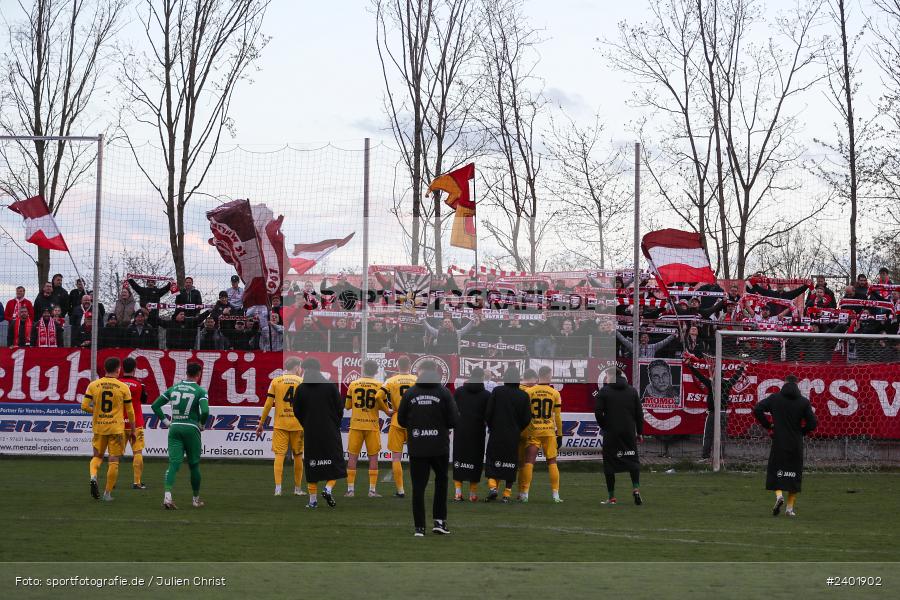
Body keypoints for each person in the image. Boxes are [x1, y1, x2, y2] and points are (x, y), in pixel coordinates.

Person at [397, 359, 458, 536]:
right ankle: (439, 522)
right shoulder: (444, 392)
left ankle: (419, 528)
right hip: (439, 446)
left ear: (421, 372)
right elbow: (454, 419)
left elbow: (401, 420)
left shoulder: (410, 393)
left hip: (417, 446)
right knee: (441, 482)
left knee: (418, 487)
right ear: (436, 372)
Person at [752, 375, 818, 517]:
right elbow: (813, 423)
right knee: (794, 473)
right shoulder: (803, 402)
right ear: (797, 385)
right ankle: (789, 508)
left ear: (785, 383)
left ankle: (778, 496)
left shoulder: (775, 398)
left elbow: (757, 409)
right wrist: (801, 432)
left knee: (776, 470)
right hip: (795, 442)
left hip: (779, 441)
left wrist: (768, 425)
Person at [151, 362, 210, 509]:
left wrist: (166, 421)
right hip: (191, 428)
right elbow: (206, 411)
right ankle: (195, 500)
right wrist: (201, 424)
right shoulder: (200, 391)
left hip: (175, 427)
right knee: (194, 465)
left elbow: (155, 405)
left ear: (186, 373)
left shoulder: (174, 388)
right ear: (199, 374)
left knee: (174, 464)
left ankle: (167, 496)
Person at [290, 357, 346, 508]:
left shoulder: (302, 388)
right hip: (330, 431)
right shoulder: (330, 386)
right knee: (335, 463)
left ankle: (312, 501)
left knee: (312, 464)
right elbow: (340, 408)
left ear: (306, 369)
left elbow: (296, 411)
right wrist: (334, 423)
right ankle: (328, 489)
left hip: (311, 432)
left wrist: (306, 424)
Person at [81, 357, 135, 502]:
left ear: (105, 369)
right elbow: (130, 411)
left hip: (99, 427)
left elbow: (84, 406)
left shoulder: (94, 385)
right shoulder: (123, 387)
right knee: (113, 461)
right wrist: (133, 429)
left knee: (97, 457)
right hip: (116, 429)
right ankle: (107, 494)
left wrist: (97, 412)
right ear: (118, 369)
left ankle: (93, 476)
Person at [594, 368, 643, 506]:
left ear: (610, 376)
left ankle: (612, 497)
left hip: (611, 433)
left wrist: (604, 426)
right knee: (632, 460)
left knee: (609, 464)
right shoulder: (632, 391)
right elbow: (639, 414)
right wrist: (639, 432)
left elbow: (598, 412)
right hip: (628, 432)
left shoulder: (604, 391)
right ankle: (636, 488)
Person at [256, 357, 305, 497]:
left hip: (280, 424)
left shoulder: (276, 381)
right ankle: (297, 489)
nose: (300, 370)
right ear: (296, 367)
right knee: (298, 456)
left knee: (279, 455)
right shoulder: (301, 382)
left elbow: (267, 404)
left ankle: (278, 489)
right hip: (298, 425)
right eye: (300, 367)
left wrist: (261, 424)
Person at [344, 360, 392, 497]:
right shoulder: (380, 386)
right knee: (373, 458)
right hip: (372, 425)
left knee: (352, 457)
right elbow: (384, 405)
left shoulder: (353, 384)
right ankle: (372, 490)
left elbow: (347, 406)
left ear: (363, 369)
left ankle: (350, 490)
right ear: (377, 371)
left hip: (356, 425)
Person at [484, 366, 531, 503]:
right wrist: (517, 428)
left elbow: (488, 412)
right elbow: (527, 418)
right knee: (510, 463)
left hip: (496, 432)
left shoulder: (497, 391)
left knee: (493, 460)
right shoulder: (524, 395)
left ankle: (493, 488)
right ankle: (507, 494)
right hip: (513, 434)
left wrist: (492, 426)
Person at [686, 358, 746, 461]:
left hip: (713, 413)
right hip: (723, 413)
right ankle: (720, 457)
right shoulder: (727, 384)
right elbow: (735, 377)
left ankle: (706, 456)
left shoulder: (712, 384)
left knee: (708, 435)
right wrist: (741, 368)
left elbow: (699, 376)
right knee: (722, 436)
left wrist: (690, 366)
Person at [520, 366, 564, 503]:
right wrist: (560, 434)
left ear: (539, 375)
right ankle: (555, 495)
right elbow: (558, 417)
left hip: (534, 431)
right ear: (549, 375)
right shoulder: (555, 393)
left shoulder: (529, 391)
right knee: (552, 462)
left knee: (529, 462)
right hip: (549, 432)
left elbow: (524, 414)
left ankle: (525, 494)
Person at [452, 367, 490, 502]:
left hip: (461, 430)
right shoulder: (486, 395)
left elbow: (452, 410)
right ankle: (473, 494)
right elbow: (488, 415)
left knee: (459, 458)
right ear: (482, 378)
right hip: (477, 431)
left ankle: (458, 493)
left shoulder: (459, 391)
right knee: (475, 460)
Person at [384, 355, 418, 498]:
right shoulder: (417, 380)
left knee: (396, 457)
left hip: (397, 419)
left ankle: (400, 490)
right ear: (410, 365)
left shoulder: (391, 380)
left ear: (398, 365)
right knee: (417, 457)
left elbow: (379, 396)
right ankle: (418, 489)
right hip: (414, 421)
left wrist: (387, 410)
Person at [119, 357, 148, 489]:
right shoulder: (140, 384)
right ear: (135, 369)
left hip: (118, 423)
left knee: (115, 455)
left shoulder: (116, 383)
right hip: (136, 423)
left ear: (122, 368)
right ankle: (137, 482)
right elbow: (144, 400)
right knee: (137, 452)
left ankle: (111, 482)